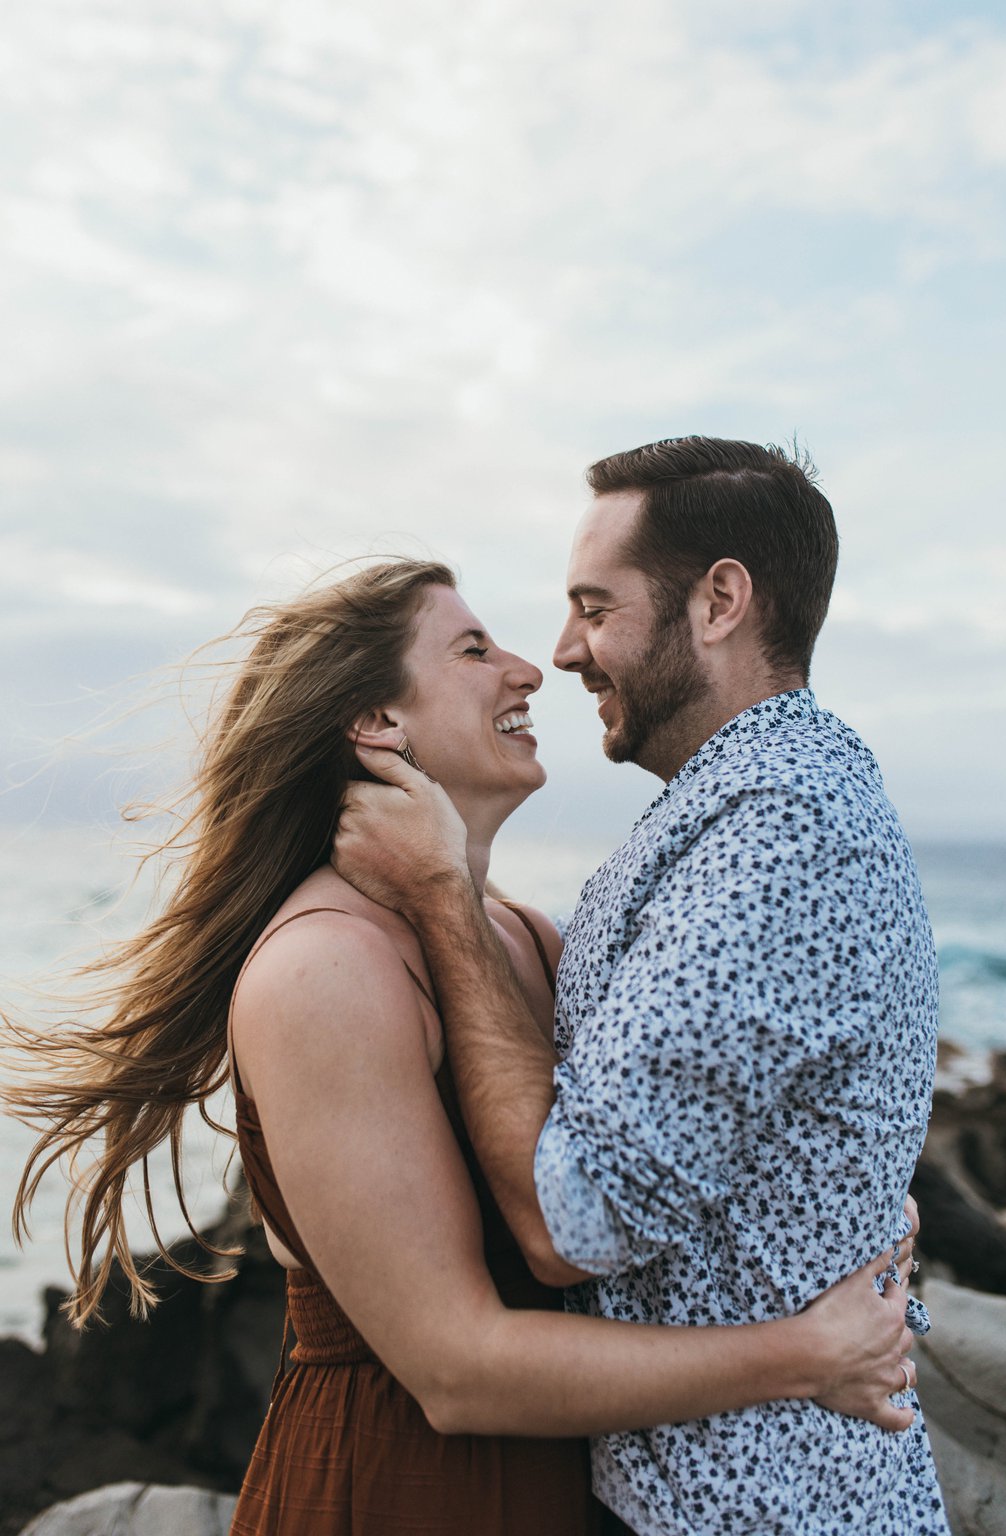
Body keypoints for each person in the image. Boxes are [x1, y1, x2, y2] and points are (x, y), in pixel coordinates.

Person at [7, 557, 919, 1536]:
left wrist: (844, 1189)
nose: (530, 670)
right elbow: (453, 1371)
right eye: (474, 650)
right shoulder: (327, 969)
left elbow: (639, 1173)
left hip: (569, 1484)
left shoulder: (528, 939)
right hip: (404, 1490)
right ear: (376, 725)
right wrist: (805, 1354)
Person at [332, 442, 951, 1536]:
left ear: (719, 601)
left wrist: (436, 892)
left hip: (763, 1509)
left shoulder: (780, 835)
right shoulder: (726, 818)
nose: (562, 652)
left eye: (594, 607)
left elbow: (574, 1219)